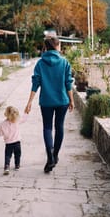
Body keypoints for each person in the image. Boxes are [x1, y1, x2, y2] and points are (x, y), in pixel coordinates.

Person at [25, 36, 74, 173]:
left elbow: (35, 83)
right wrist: (72, 100)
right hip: (62, 101)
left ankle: (50, 156)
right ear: (57, 47)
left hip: (46, 101)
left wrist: (29, 102)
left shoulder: (40, 63)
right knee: (59, 127)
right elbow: (68, 83)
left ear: (46, 47)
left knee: (47, 127)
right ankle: (55, 155)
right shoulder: (64, 62)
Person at [0, 106, 27, 175]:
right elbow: (24, 119)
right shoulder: (17, 121)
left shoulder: (3, 124)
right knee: (18, 155)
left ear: (6, 114)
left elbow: (0, 134)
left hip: (9, 143)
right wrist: (26, 112)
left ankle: (7, 167)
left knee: (8, 155)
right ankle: (17, 165)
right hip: (17, 143)